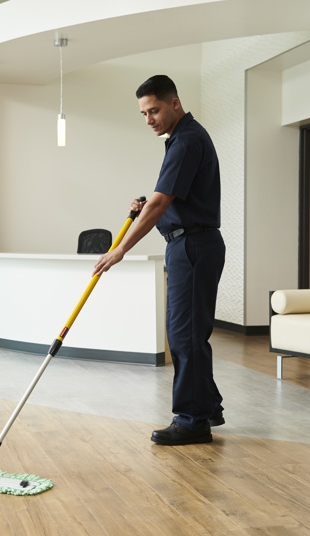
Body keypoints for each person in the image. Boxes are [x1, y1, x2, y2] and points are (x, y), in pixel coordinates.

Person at [94, 74, 226, 446]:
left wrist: (120, 249)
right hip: (190, 246)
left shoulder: (185, 141)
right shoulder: (182, 139)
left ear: (174, 103)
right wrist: (148, 207)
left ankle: (191, 420)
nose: (148, 118)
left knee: (184, 335)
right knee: (190, 333)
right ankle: (207, 407)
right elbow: (165, 202)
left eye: (153, 110)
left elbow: (160, 203)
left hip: (193, 248)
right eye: (143, 113)